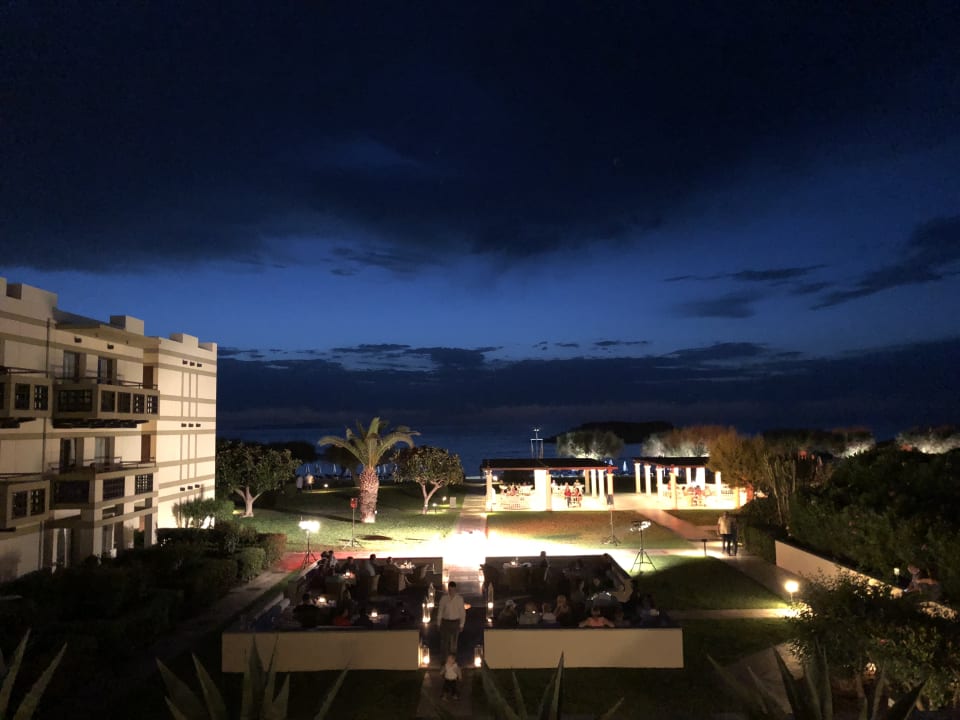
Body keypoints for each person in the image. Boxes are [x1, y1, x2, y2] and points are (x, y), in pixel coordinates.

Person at [437, 581, 466, 657]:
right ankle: (445, 660)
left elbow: (462, 613)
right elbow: (440, 611)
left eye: (453, 590)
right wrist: (438, 623)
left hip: (455, 622)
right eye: (450, 590)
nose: (451, 592)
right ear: (448, 589)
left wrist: (462, 624)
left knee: (454, 644)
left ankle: (453, 660)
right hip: (445, 622)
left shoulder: (459, 599)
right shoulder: (444, 599)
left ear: (455, 589)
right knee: (444, 643)